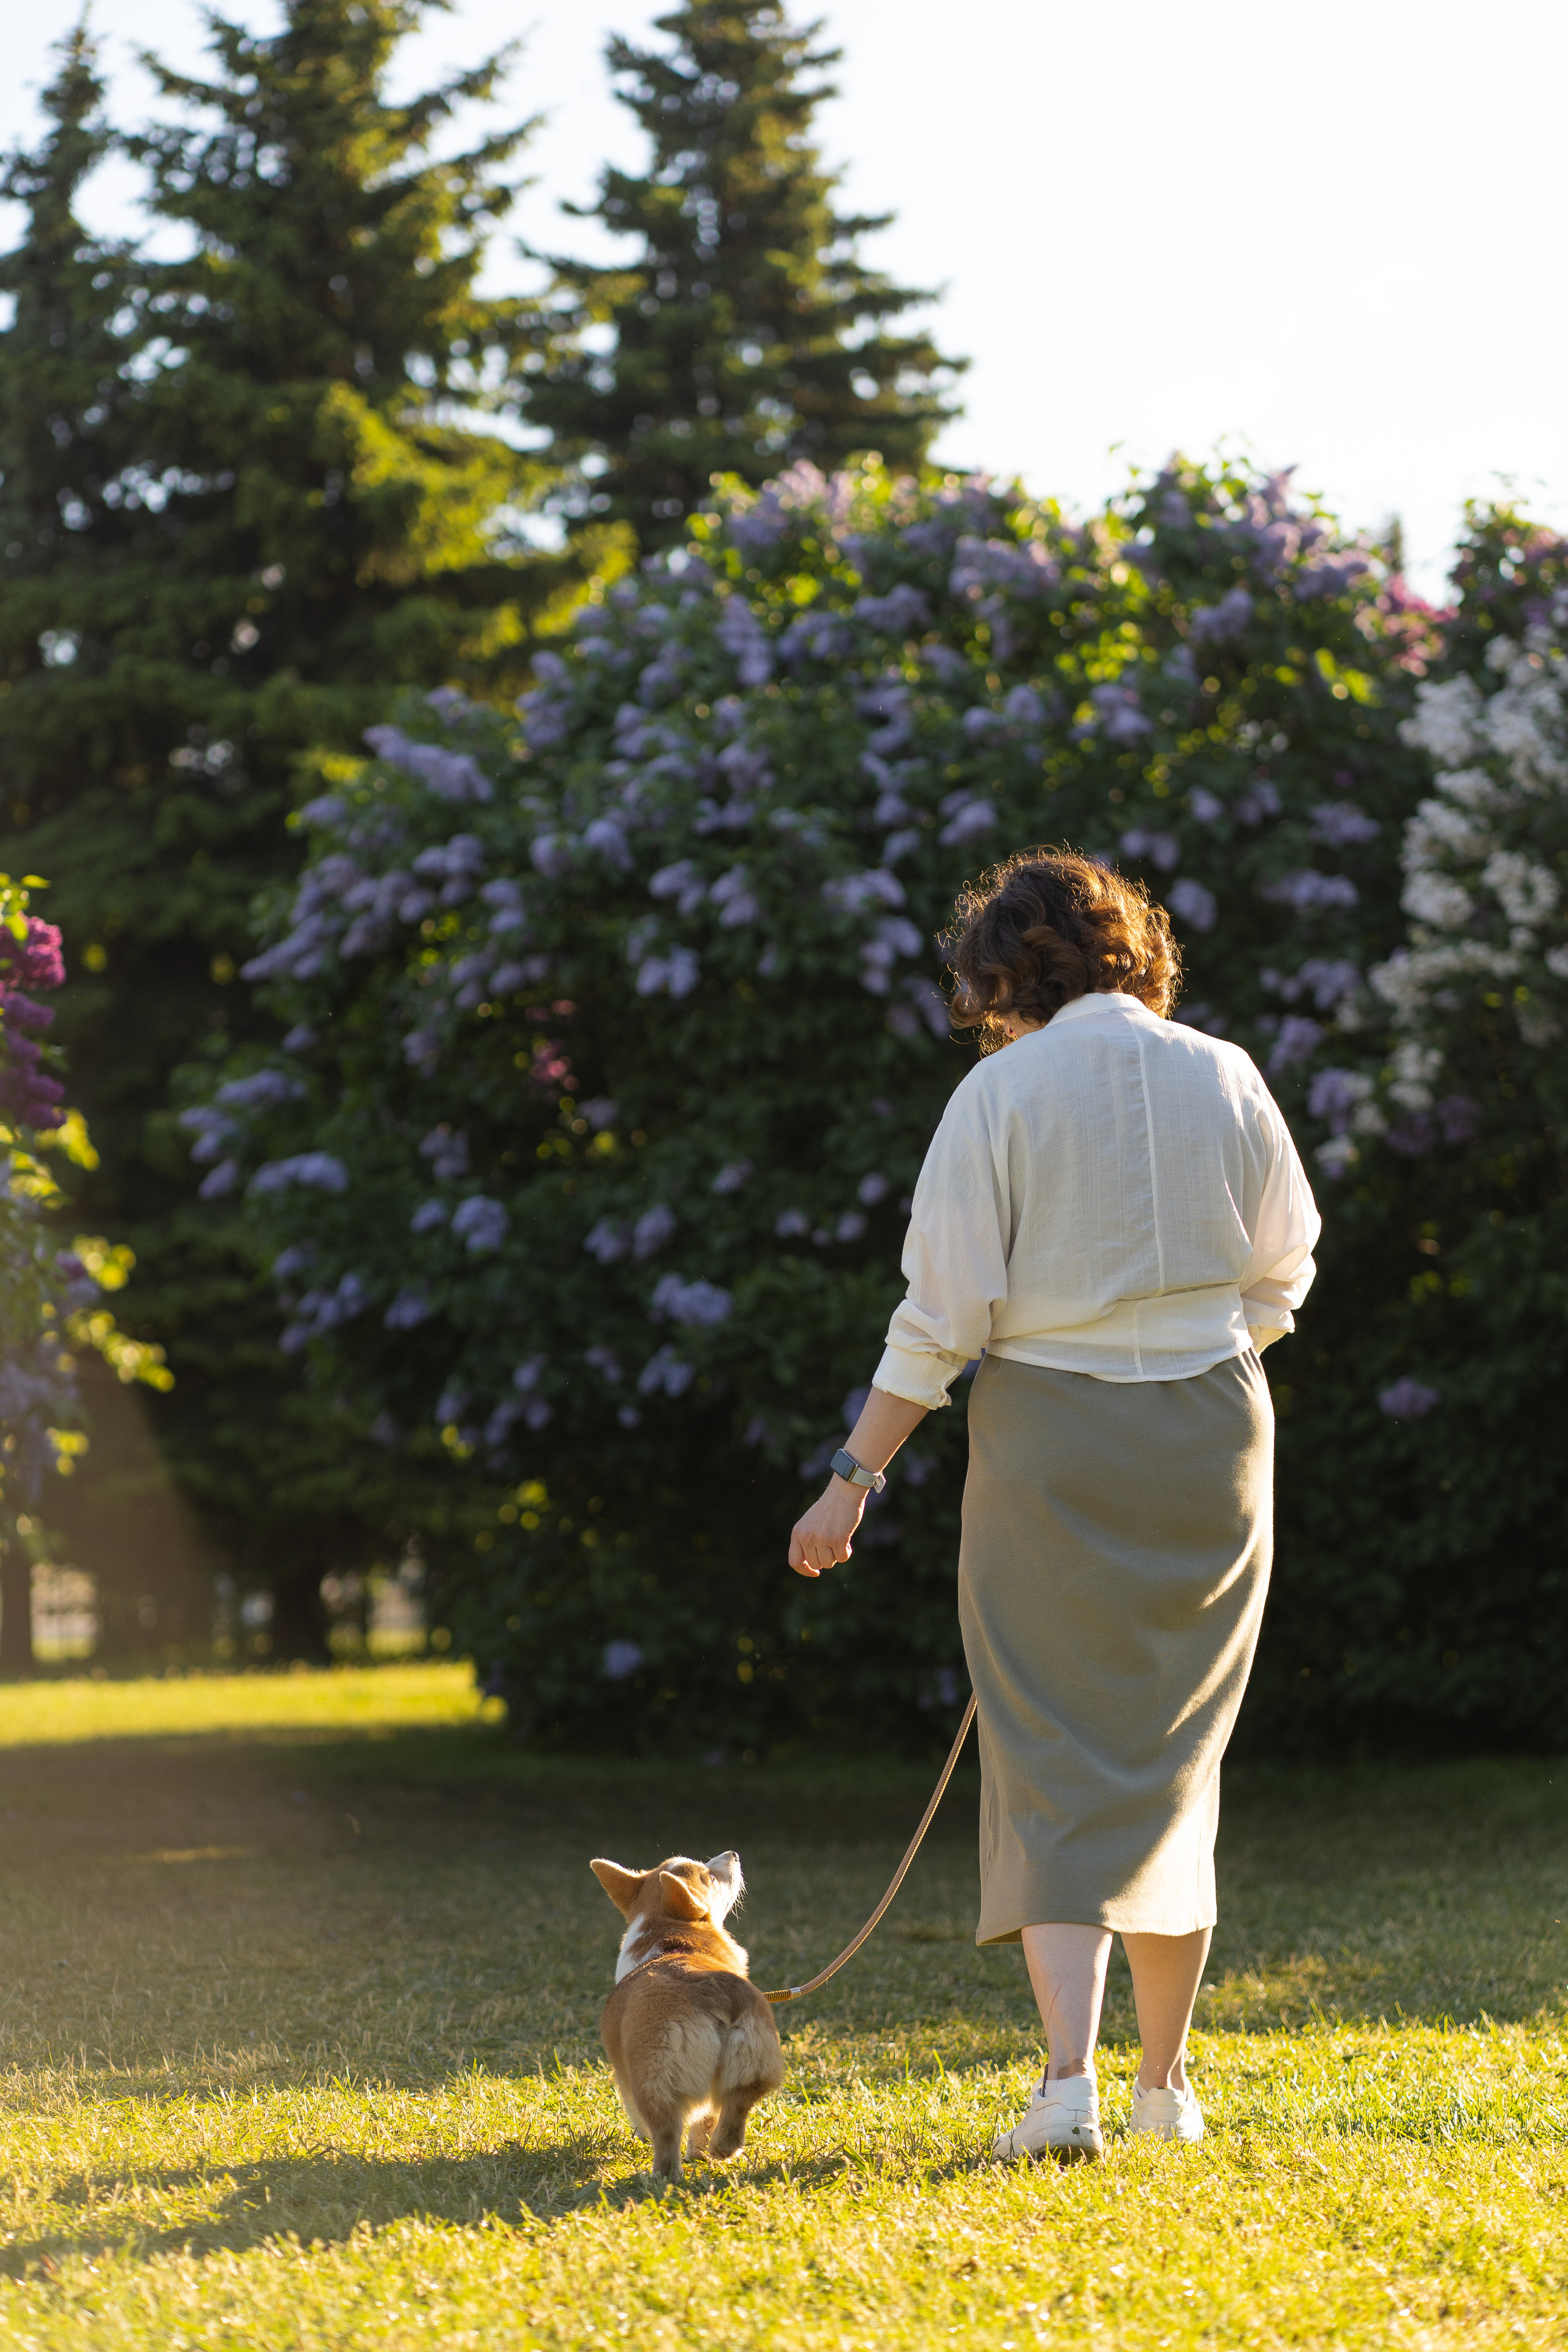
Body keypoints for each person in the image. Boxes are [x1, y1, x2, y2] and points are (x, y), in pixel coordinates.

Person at [788, 849, 1319, 2162]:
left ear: (1008, 972)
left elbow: (939, 1319)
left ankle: (1065, 2085)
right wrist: (1202, 1345)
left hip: (1049, 1434)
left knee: (1048, 1751)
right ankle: (1163, 2089)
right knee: (1173, 1755)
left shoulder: (996, 1095)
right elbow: (1283, 1272)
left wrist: (850, 1481)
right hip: (1213, 1433)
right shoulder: (1228, 1073)